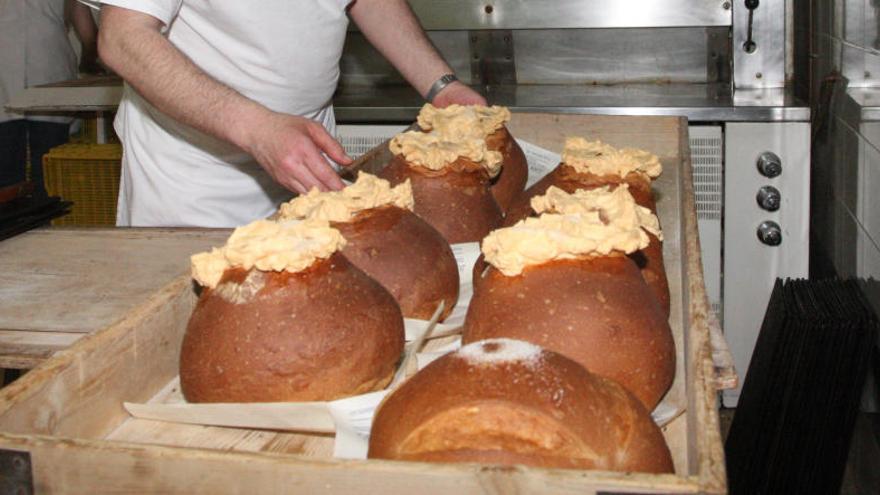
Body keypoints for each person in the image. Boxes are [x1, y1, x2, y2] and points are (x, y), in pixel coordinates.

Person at [91, 0, 486, 227]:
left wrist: (441, 86)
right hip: (197, 182)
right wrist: (258, 129)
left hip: (311, 163)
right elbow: (123, 38)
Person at [0, 0, 100, 195]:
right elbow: (82, 18)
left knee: (35, 172)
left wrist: (91, 54)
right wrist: (91, 54)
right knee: (46, 172)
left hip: (43, 69)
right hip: (47, 64)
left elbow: (82, 17)